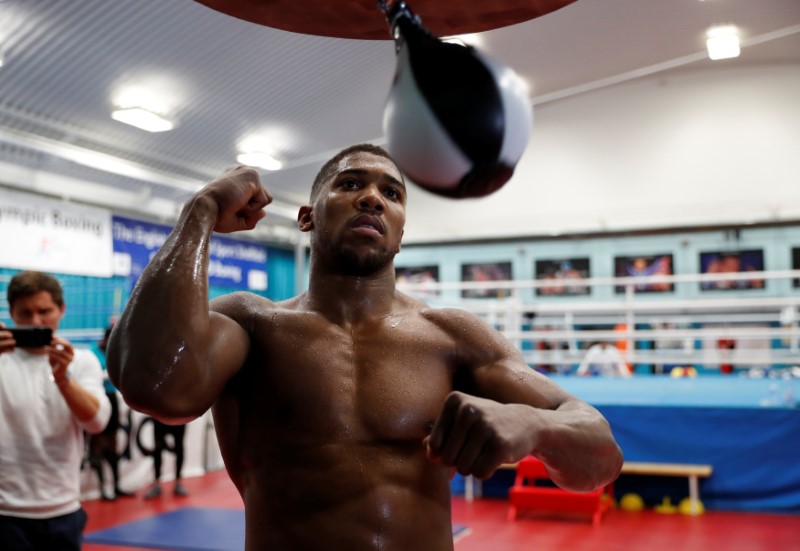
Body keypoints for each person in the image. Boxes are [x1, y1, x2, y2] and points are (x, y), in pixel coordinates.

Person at [107, 144, 623, 550]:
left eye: (391, 194)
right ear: (307, 218)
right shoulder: (251, 323)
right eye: (350, 184)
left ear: (401, 231)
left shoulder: (452, 334)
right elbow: (153, 386)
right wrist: (199, 212)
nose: (372, 197)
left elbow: (600, 461)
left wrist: (534, 426)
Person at [0, 271, 111, 551]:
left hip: (63, 508)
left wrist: (63, 378)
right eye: (25, 313)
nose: (35, 321)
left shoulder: (81, 361)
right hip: (5, 512)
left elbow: (97, 422)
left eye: (44, 311)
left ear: (61, 310)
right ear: (11, 313)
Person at [86, 326, 133, 501]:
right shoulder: (92, 354)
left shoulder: (114, 353)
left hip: (112, 397)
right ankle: (103, 488)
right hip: (97, 397)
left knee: (113, 444)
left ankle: (116, 484)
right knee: (98, 443)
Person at [141, 418, 190, 499]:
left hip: (178, 416)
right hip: (160, 417)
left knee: (179, 448)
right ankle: (156, 484)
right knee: (157, 449)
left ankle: (178, 483)